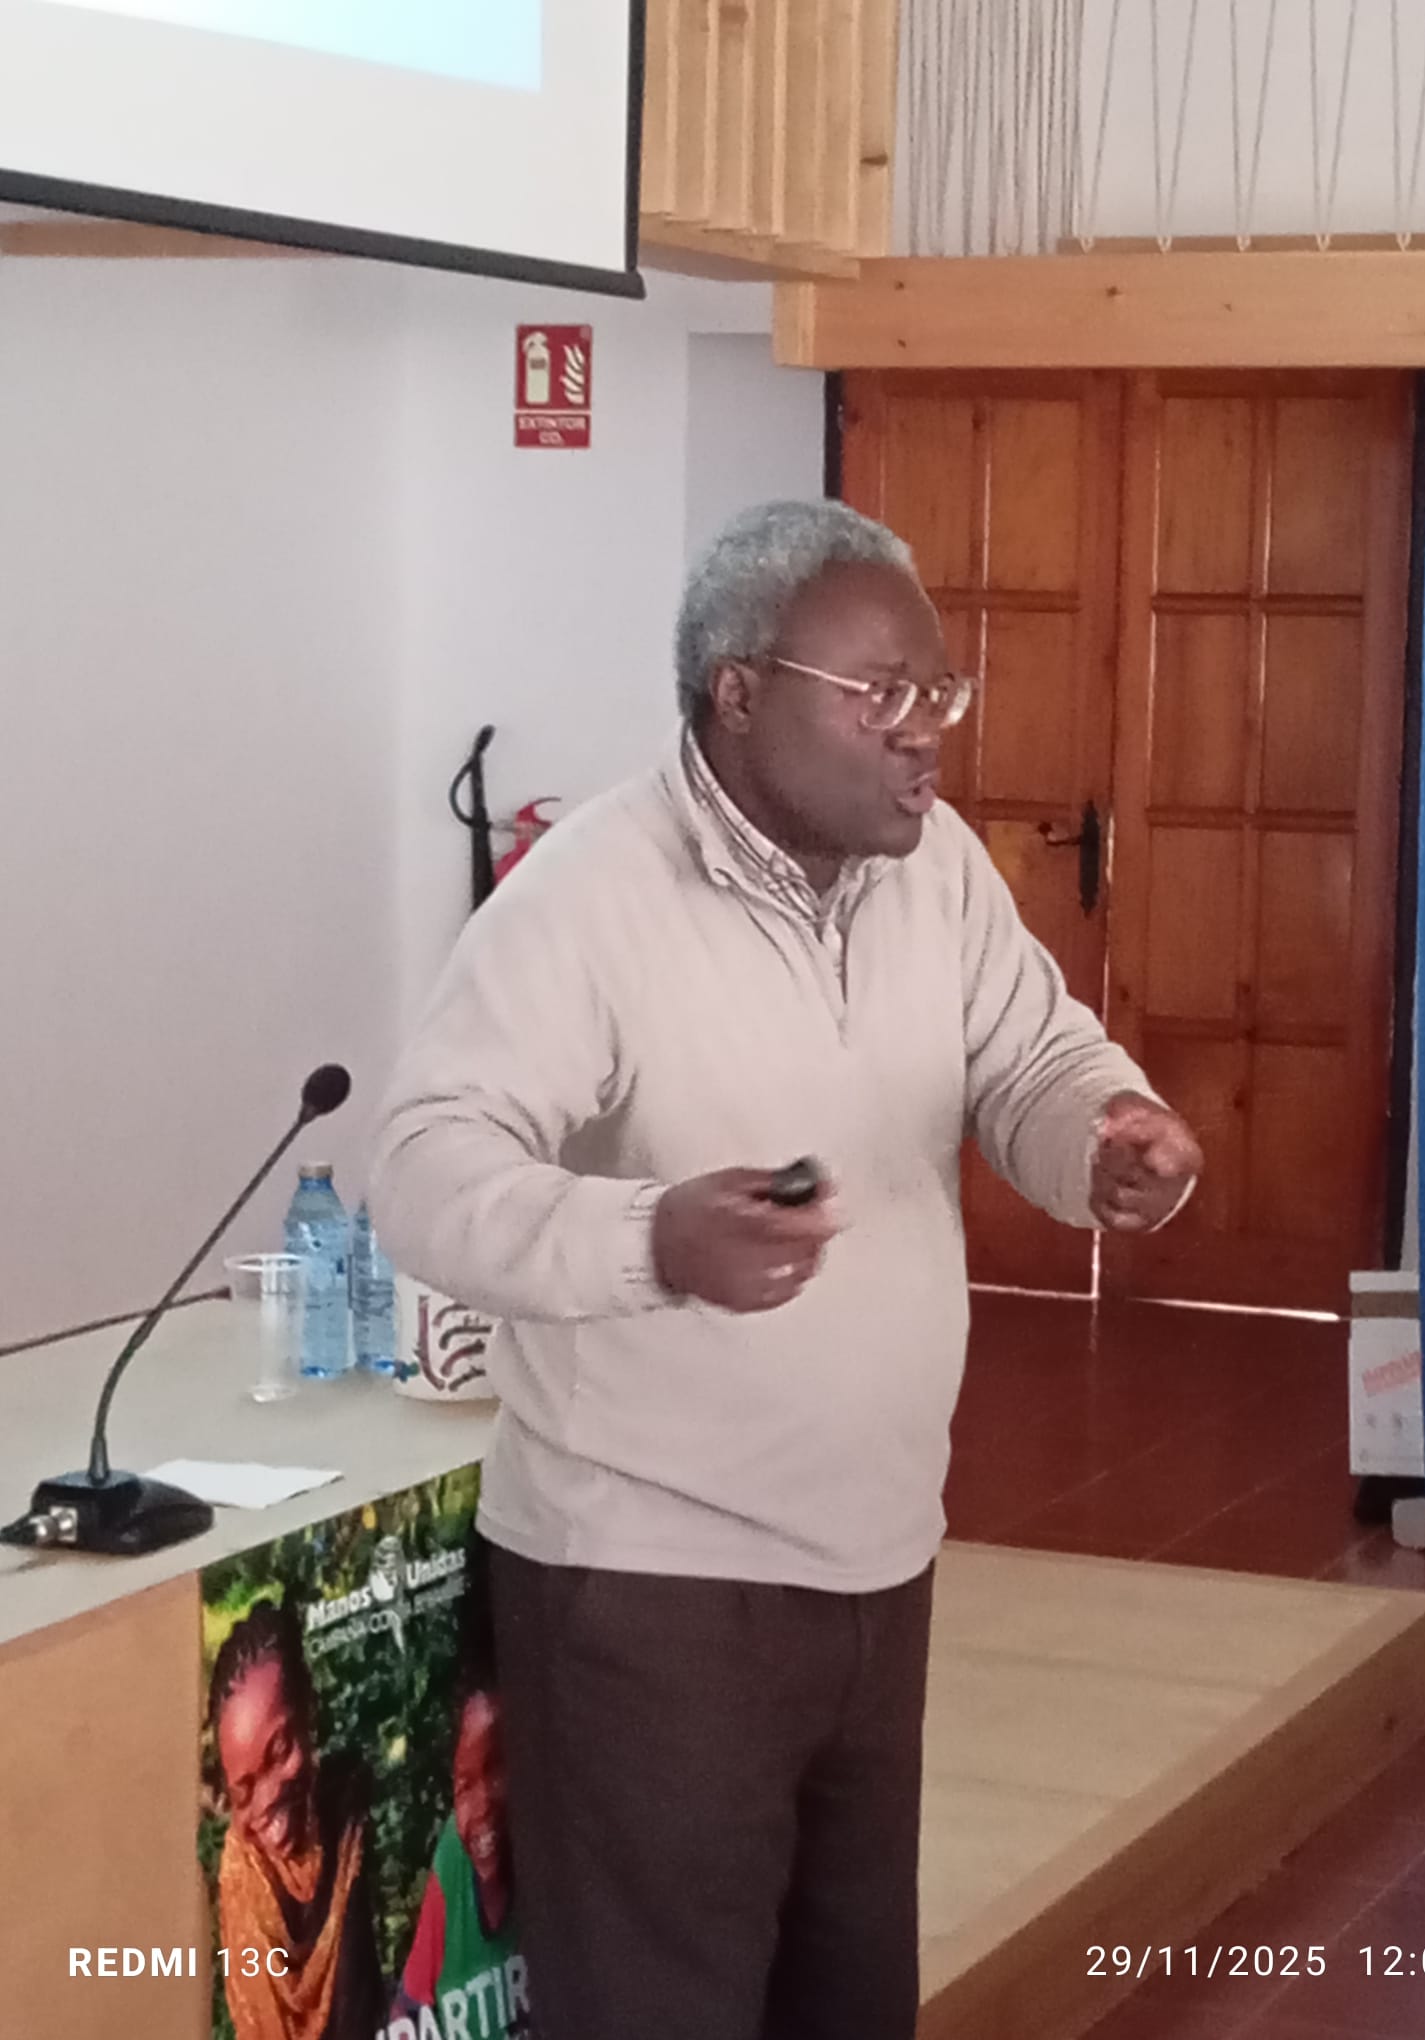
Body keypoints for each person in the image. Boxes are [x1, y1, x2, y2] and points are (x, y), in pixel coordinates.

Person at [369, 498, 1203, 2040]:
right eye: (879, 692)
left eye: (938, 689)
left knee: (848, 2000)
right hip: (652, 1586)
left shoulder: (934, 867)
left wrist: (1100, 1138)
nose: (924, 730)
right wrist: (650, 1238)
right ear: (738, 693)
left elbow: (1029, 1057)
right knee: (665, 2008)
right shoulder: (590, 896)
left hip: (878, 1549)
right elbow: (423, 1169)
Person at [208, 1599, 385, 2040]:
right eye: (244, 1793)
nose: (268, 1799)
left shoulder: (351, 1818)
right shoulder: (241, 1880)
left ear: (310, 1711)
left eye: (281, 1750)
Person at [393, 1680, 533, 2039]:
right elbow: (407, 2009)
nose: (482, 1805)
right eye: (465, 1786)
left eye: (497, 1767)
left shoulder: (551, 1851)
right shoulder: (454, 1854)